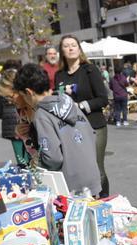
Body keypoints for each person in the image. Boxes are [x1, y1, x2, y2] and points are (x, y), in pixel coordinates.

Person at [13, 63, 101, 196]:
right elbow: (92, 135)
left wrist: (37, 162)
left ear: (29, 92)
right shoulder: (69, 103)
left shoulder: (42, 115)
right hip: (92, 177)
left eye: (23, 96)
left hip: (70, 184)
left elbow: (53, 159)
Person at [54, 35, 110, 197]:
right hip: (70, 128)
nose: (71, 48)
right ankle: (85, 200)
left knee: (96, 166)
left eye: (74, 45)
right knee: (78, 166)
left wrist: (79, 107)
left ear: (79, 49)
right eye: (66, 46)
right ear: (62, 51)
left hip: (94, 125)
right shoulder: (60, 75)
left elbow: (103, 99)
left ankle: (104, 201)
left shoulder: (90, 70)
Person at [0, 69, 29, 167]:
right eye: (6, 97)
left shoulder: (33, 106)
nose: (10, 100)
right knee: (21, 156)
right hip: (13, 124)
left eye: (10, 96)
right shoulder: (21, 107)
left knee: (22, 155)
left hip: (13, 122)